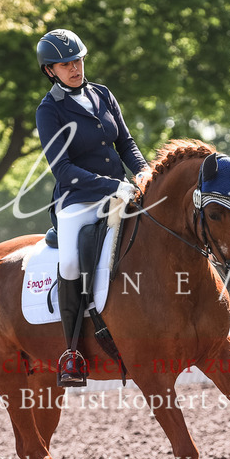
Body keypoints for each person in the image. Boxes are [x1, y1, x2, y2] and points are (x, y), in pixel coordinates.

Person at [35, 28, 149, 387]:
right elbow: (63, 169)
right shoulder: (49, 110)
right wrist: (113, 185)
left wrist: (144, 171)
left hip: (123, 191)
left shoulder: (102, 94)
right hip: (78, 201)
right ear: (50, 70)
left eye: (78, 60)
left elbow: (126, 143)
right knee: (69, 262)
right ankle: (72, 353)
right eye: (66, 64)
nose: (75, 68)